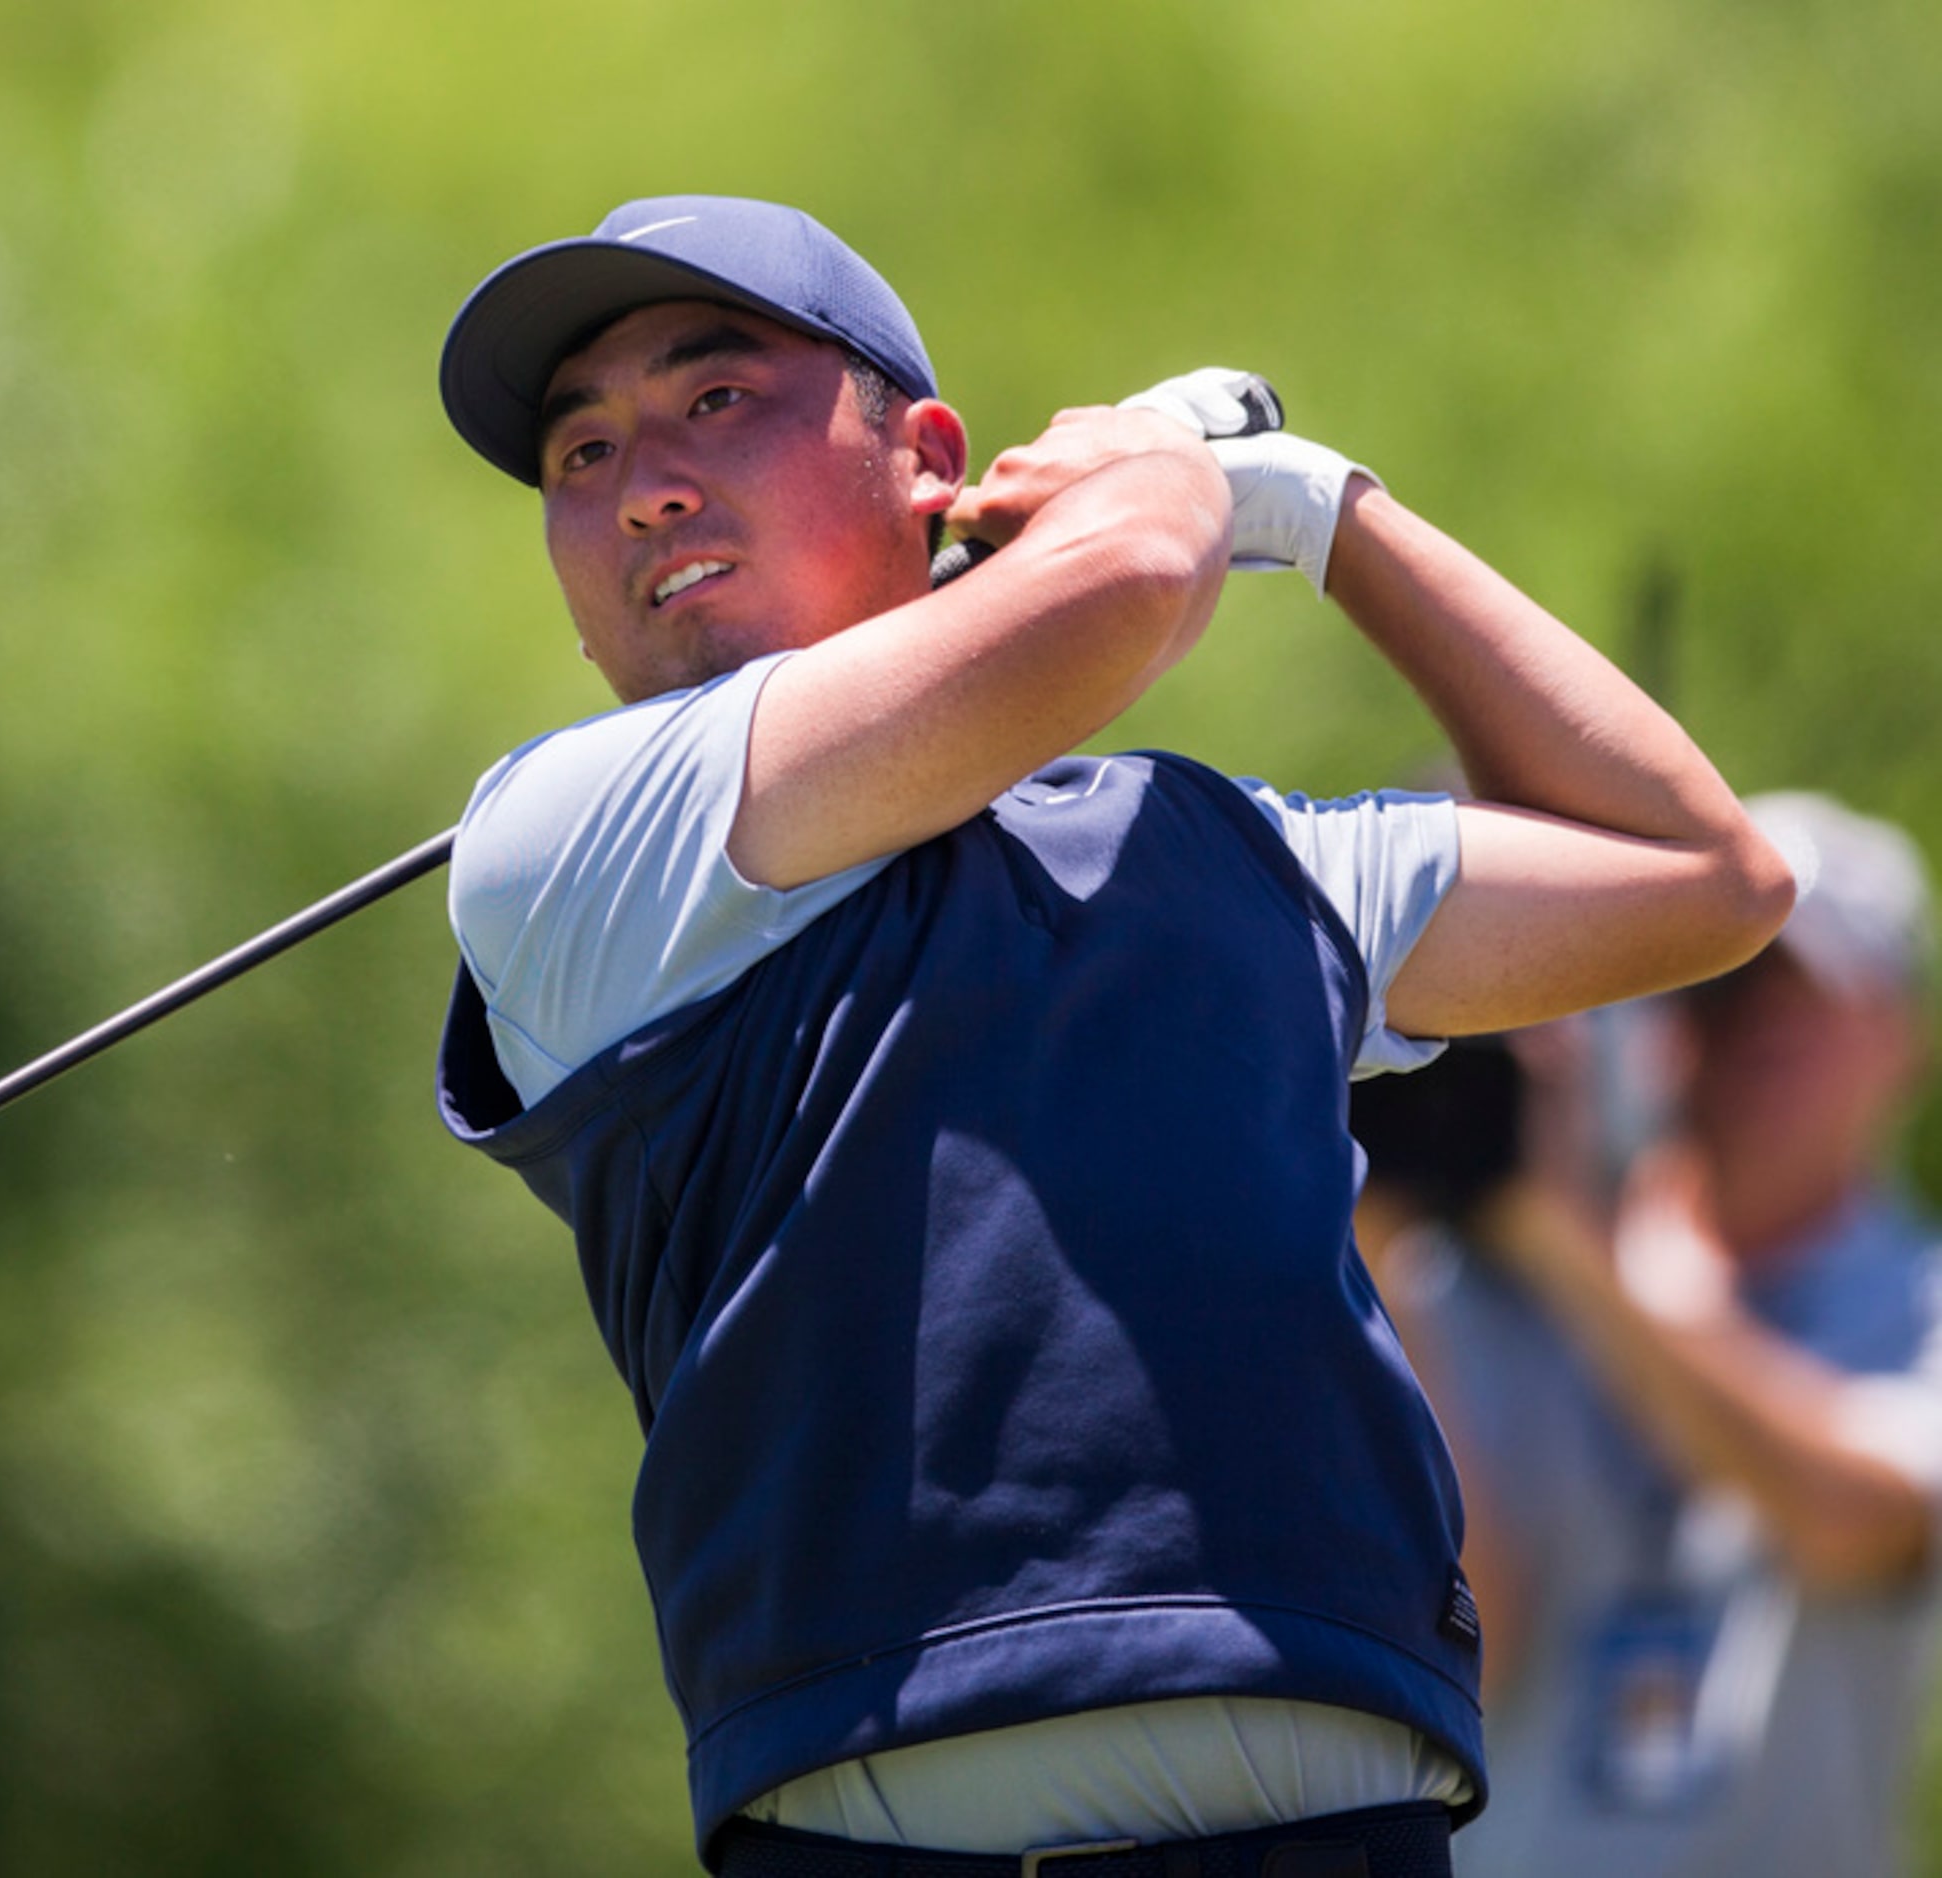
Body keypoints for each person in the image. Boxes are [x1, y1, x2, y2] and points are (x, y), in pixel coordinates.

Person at [427, 195, 1794, 1876]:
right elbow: (1132, 582)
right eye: (581, 450)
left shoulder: (1226, 852)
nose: (641, 480)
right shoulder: (562, 835)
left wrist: (1331, 515)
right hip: (885, 1818)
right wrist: (1162, 465)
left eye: (716, 400)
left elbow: (1701, 875)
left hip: (1331, 1809)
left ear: (925, 457)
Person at [1356, 793, 1942, 1877]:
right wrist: (1375, 1236)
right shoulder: (1476, 1290)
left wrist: (1579, 1251)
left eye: (1797, 990)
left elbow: (1847, 1522)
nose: (1744, 1029)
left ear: (1900, 1039)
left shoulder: (1915, 1299)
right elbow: (1464, 1656)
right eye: (1715, 990)